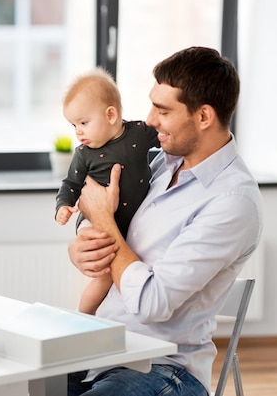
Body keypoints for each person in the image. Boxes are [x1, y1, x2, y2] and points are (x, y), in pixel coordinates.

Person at [67, 46, 263, 396]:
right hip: (102, 349)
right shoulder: (158, 164)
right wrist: (83, 246)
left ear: (203, 116)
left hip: (165, 369)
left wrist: (105, 224)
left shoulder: (232, 202)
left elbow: (150, 303)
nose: (150, 120)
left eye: (163, 110)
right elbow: (107, 225)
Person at [55, 67, 159, 315]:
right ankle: (84, 318)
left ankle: (102, 320)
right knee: (103, 277)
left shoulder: (139, 134)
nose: (78, 131)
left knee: (122, 271)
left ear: (110, 114)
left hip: (124, 221)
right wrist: (63, 205)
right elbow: (70, 184)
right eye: (73, 125)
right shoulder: (83, 154)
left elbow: (168, 135)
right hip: (92, 220)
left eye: (83, 122)